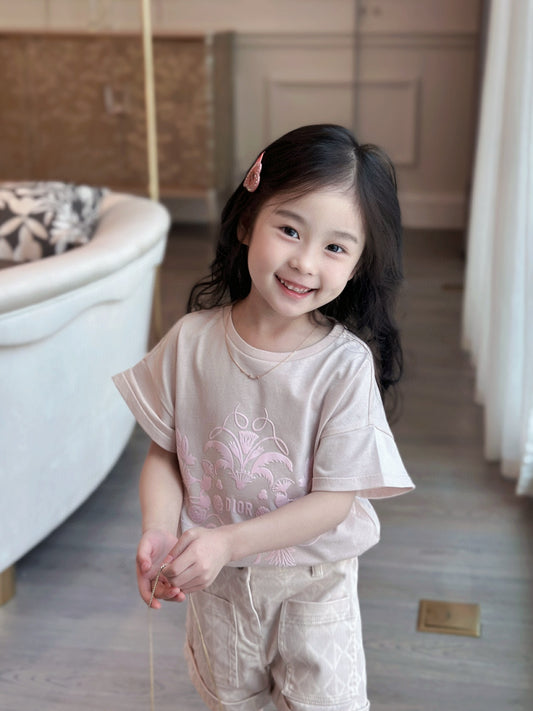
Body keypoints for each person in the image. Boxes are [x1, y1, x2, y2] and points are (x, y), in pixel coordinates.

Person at [113, 124, 414, 711]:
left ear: (358, 265)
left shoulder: (343, 366)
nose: (304, 262)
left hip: (313, 586)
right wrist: (159, 527)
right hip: (217, 585)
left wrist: (227, 541)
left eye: (335, 247)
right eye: (289, 230)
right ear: (247, 223)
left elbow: (333, 502)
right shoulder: (191, 342)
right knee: (230, 700)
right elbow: (165, 454)